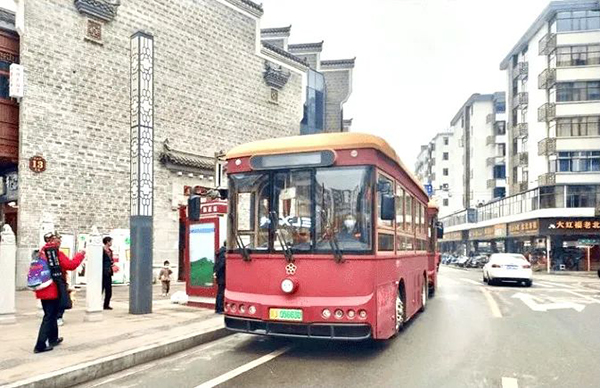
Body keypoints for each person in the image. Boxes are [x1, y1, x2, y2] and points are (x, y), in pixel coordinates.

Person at [34, 231, 85, 353]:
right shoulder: (55, 253)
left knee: (51, 313)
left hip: (42, 287)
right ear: (52, 240)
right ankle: (40, 345)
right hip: (53, 288)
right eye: (58, 239)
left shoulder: (41, 253)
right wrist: (81, 255)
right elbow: (70, 265)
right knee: (49, 315)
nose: (60, 241)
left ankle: (53, 338)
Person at [213, 241, 226, 314]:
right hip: (222, 276)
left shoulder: (220, 251)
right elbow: (221, 264)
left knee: (219, 292)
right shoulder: (224, 253)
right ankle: (220, 309)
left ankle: (217, 308)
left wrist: (215, 273)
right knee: (221, 292)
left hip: (219, 275)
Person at [102, 236, 114, 310]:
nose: (111, 243)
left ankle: (106, 304)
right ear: (107, 242)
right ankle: (96, 303)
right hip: (103, 271)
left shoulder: (110, 251)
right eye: (111, 241)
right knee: (101, 288)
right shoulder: (102, 250)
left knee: (109, 289)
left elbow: (111, 261)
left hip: (109, 271)